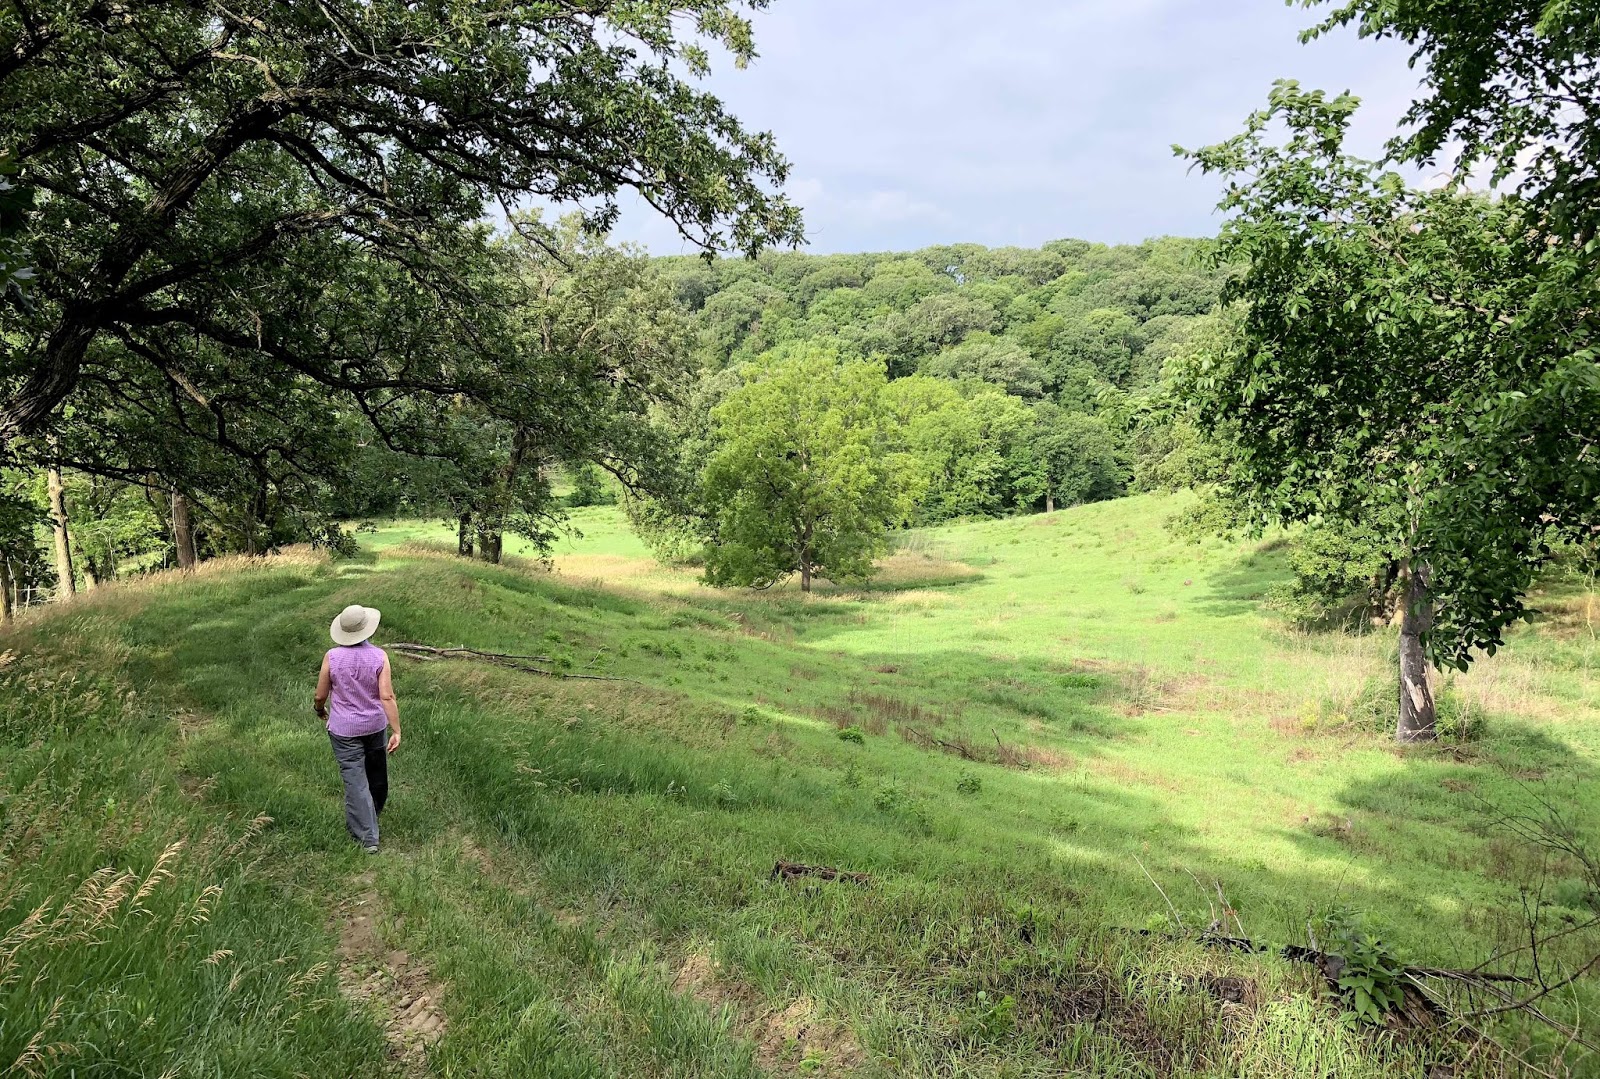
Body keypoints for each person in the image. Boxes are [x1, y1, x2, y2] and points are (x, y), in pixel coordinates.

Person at [314, 604, 401, 854]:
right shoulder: (379, 656)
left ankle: (367, 837)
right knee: (376, 773)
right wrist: (396, 730)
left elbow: (320, 695)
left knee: (355, 779)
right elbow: (387, 696)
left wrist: (319, 709)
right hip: (375, 726)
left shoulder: (332, 657)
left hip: (344, 730)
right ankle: (371, 814)